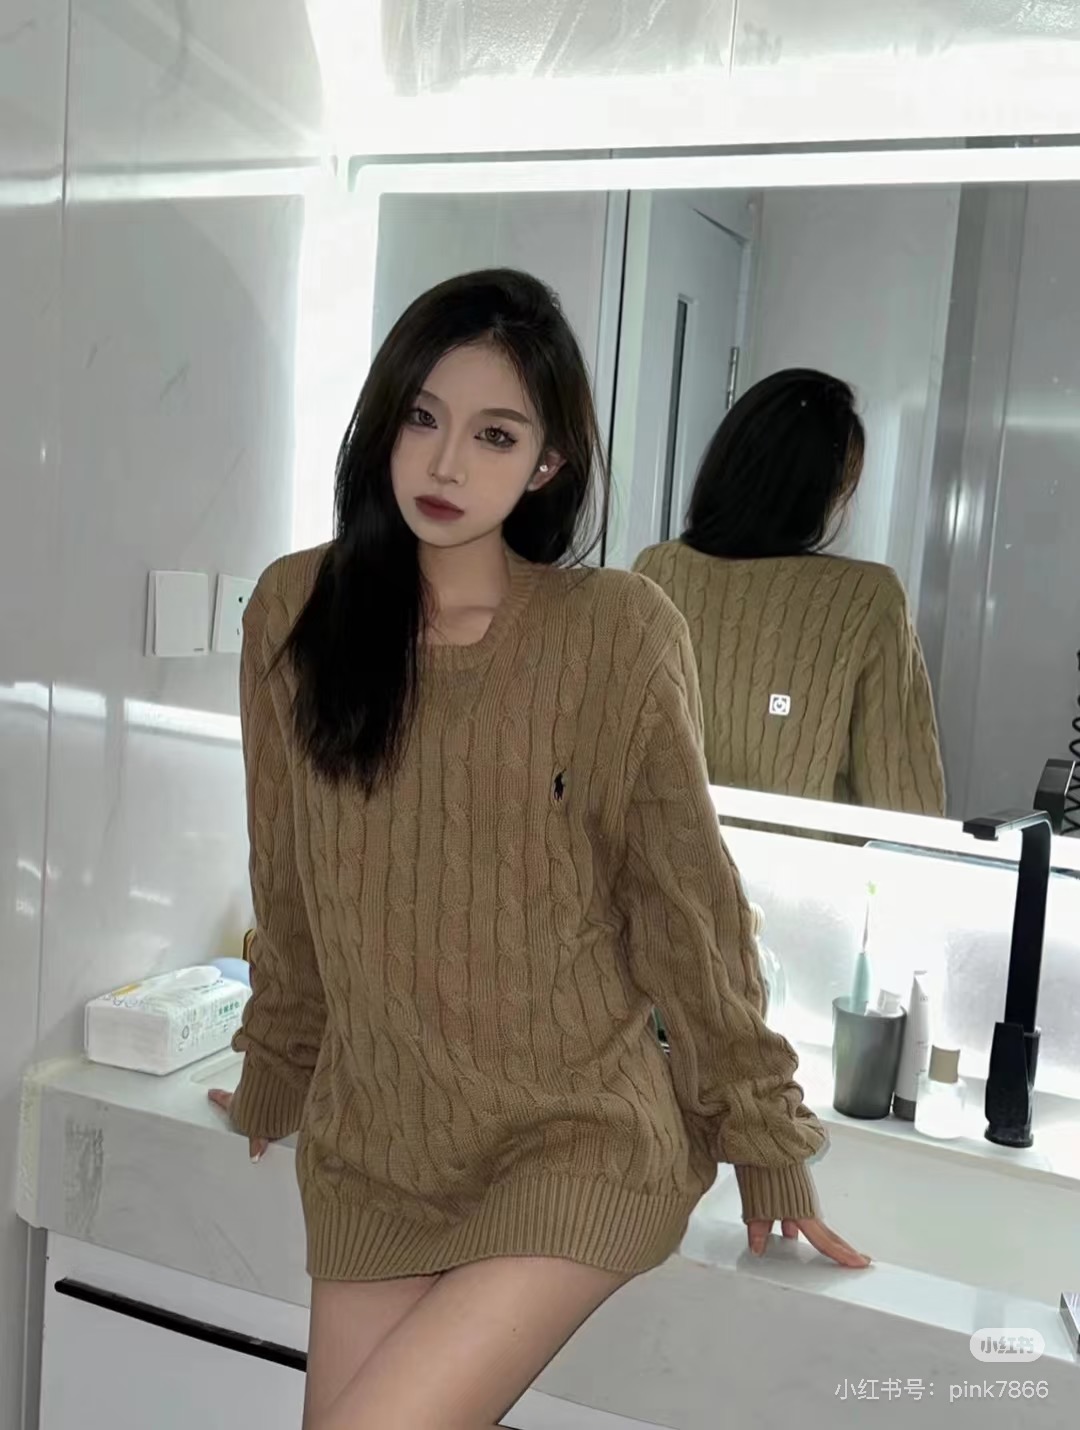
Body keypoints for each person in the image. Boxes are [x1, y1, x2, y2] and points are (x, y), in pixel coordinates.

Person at [209, 274, 866, 1430]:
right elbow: (292, 875)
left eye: (495, 434)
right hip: (379, 1140)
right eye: (422, 416)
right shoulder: (296, 609)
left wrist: (762, 1131)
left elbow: (685, 906)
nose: (446, 462)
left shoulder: (613, 631)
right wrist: (280, 1057)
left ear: (548, 462)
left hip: (575, 1138)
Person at [634, 369, 946, 815]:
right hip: (807, 863)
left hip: (665, 862)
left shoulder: (656, 572)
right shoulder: (868, 600)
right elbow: (908, 812)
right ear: (823, 492)